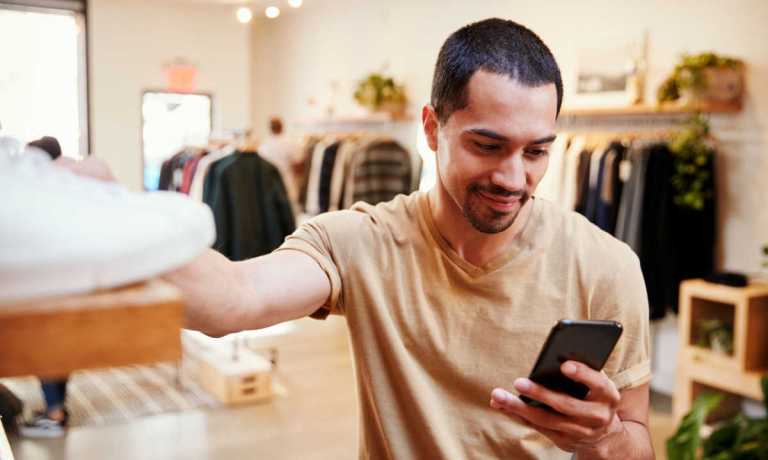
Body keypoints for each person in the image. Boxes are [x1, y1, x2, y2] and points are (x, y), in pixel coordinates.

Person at [64, 18, 653, 459]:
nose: (513, 177)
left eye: (536, 152)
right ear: (431, 127)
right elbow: (232, 298)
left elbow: (641, 443)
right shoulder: (361, 242)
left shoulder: (605, 265)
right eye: (488, 146)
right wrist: (106, 210)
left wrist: (604, 436)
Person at [20, 136, 71, 438]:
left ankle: (55, 414)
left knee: (46, 345)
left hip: (47, 280)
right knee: (57, 345)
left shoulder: (39, 192)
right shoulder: (63, 187)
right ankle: (57, 408)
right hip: (63, 277)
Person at [258, 116, 301, 207]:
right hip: (287, 182)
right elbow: (297, 165)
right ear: (282, 127)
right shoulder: (290, 143)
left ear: (269, 128)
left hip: (269, 184)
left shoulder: (264, 145)